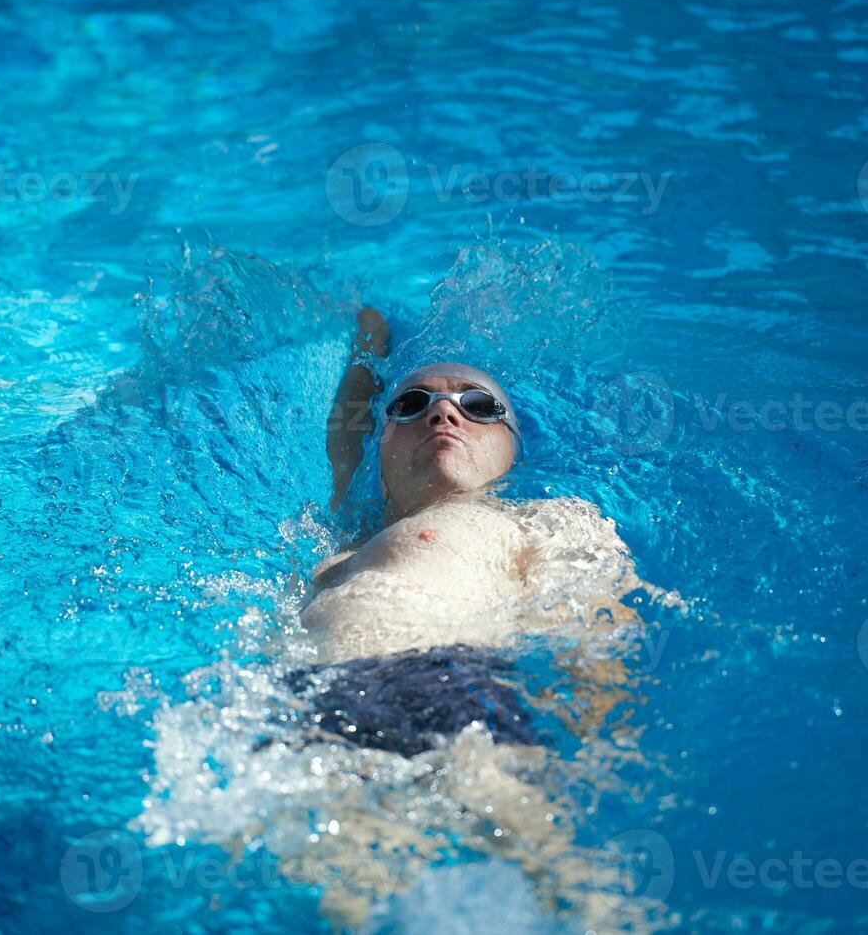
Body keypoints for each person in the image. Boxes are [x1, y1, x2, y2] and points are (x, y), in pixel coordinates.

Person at [269, 307, 669, 931]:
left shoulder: (543, 520)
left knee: (549, 859)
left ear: (511, 448)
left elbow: (598, 624)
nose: (443, 412)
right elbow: (344, 434)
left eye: (478, 405)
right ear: (383, 449)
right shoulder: (354, 524)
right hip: (308, 698)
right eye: (412, 404)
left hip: (443, 682)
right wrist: (367, 341)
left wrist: (599, 743)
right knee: (341, 891)